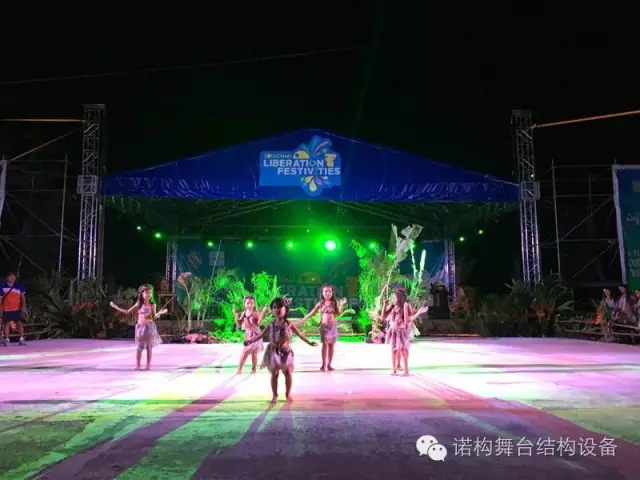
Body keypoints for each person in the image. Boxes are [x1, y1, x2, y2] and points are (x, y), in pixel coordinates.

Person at [244, 296, 317, 403]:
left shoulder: (289, 324)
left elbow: (300, 334)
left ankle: (288, 394)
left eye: (279, 307)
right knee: (274, 374)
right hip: (273, 352)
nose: (277, 309)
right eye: (274, 307)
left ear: (285, 309)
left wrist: (309, 342)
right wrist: (250, 341)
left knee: (288, 373)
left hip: (286, 352)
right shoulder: (271, 324)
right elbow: (260, 335)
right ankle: (275, 395)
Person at [110, 284, 167, 370]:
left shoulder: (152, 304)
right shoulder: (139, 304)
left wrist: (159, 313)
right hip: (140, 328)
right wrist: (116, 307)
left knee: (149, 347)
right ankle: (138, 365)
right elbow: (128, 311)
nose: (149, 294)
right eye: (147, 292)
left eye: (150, 293)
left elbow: (153, 317)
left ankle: (148, 365)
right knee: (139, 348)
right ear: (141, 293)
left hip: (149, 328)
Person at [379, 287, 427, 376]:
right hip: (393, 331)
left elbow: (408, 320)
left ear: (399, 297)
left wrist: (418, 313)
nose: (392, 299)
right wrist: (385, 305)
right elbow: (382, 317)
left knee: (403, 350)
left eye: (394, 298)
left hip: (401, 331)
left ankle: (406, 371)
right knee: (393, 350)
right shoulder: (393, 306)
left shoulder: (405, 305)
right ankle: (394, 370)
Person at [300, 284, 347, 371]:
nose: (328, 293)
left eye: (330, 291)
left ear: (332, 293)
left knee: (332, 346)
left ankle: (329, 364)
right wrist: (303, 320)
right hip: (324, 327)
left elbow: (339, 313)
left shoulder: (335, 303)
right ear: (322, 293)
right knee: (325, 345)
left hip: (332, 327)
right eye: (325, 291)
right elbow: (311, 313)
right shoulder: (320, 304)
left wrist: (342, 304)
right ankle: (324, 364)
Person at [234, 295, 268, 374]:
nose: (249, 305)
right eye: (248, 303)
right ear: (244, 304)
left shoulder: (255, 313)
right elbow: (238, 324)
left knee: (245, 352)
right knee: (253, 353)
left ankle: (239, 370)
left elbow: (259, 323)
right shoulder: (244, 313)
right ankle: (253, 369)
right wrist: (235, 314)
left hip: (255, 336)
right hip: (248, 335)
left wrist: (263, 312)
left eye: (251, 303)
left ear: (254, 304)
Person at [0, 273, 27, 347]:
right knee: (6, 323)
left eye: (14, 276)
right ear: (7, 278)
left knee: (19, 323)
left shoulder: (19, 286)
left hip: (16, 308)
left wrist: (24, 305)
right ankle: (7, 339)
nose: (13, 278)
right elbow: (0, 298)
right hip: (6, 309)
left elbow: (22, 296)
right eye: (11, 276)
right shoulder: (2, 286)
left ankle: (21, 339)